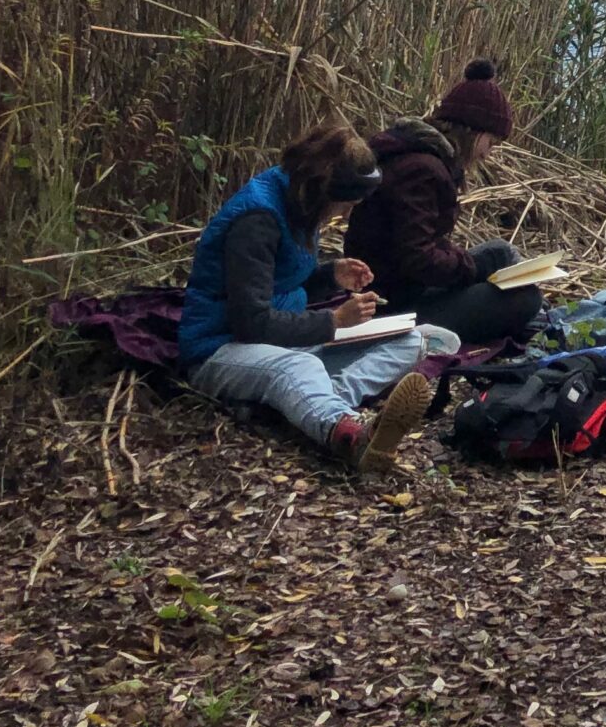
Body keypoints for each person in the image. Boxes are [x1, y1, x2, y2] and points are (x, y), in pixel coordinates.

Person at [179, 123, 433, 471]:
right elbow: (251, 323)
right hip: (220, 349)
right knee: (300, 367)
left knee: (410, 341)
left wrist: (329, 276)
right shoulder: (258, 220)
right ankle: (349, 435)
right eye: (345, 204)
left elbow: (279, 282)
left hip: (278, 346)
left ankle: (307, 402)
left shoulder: (299, 204)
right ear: (323, 190)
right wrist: (332, 322)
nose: (345, 215)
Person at [344, 59, 542, 347]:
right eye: (491, 142)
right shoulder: (422, 169)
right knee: (527, 298)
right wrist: (469, 268)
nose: (489, 153)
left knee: (499, 252)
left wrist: (465, 263)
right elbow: (418, 259)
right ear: (473, 132)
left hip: (401, 289)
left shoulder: (418, 156)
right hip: (393, 310)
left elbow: (417, 242)